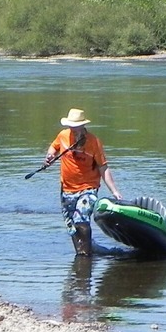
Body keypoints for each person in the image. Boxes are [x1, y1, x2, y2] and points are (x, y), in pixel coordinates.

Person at [44, 108, 121, 256]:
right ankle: (81, 254)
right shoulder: (63, 136)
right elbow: (54, 147)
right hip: (67, 189)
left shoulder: (94, 142)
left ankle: (86, 256)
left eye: (76, 126)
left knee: (81, 221)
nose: (73, 129)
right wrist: (49, 156)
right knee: (71, 226)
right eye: (71, 126)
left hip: (88, 188)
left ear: (83, 126)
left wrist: (114, 191)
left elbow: (103, 167)